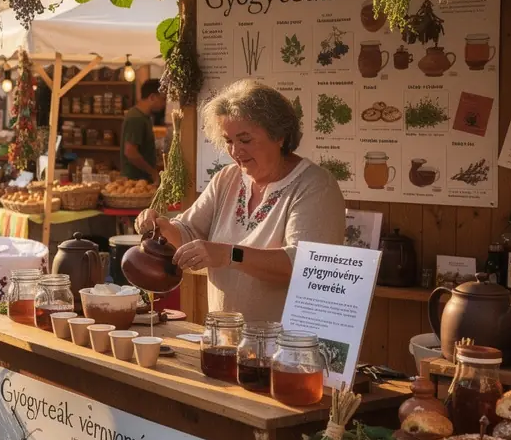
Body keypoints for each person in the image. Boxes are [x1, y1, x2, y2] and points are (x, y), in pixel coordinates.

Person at [136, 79, 345, 321]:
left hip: (287, 348)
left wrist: (229, 255)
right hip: (225, 339)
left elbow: (305, 266)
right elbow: (187, 233)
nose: (235, 151)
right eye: (228, 141)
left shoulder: (315, 186)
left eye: (245, 140)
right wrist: (160, 227)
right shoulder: (227, 178)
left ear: (279, 135)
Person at [121, 79, 166, 183]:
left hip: (141, 180)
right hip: (135, 182)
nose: (164, 104)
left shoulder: (144, 117)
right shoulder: (136, 118)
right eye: (163, 99)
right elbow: (130, 152)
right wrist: (152, 172)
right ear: (152, 97)